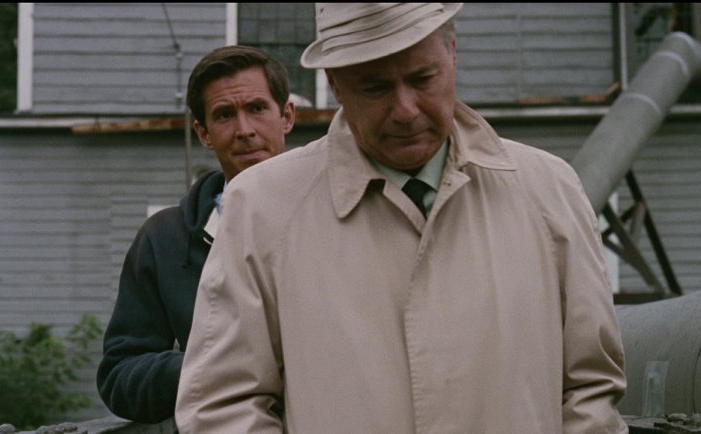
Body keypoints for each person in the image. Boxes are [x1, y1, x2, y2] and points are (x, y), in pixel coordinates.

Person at [175, 3, 628, 433]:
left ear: (453, 54)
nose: (406, 110)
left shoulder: (549, 191)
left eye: (423, 78)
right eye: (375, 87)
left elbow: (590, 388)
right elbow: (223, 404)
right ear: (335, 84)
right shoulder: (260, 209)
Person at [96, 45, 296, 423]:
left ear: (286, 116)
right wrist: (212, 365)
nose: (245, 130)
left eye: (257, 108)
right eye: (224, 115)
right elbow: (120, 376)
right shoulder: (165, 238)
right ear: (203, 133)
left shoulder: (340, 214)